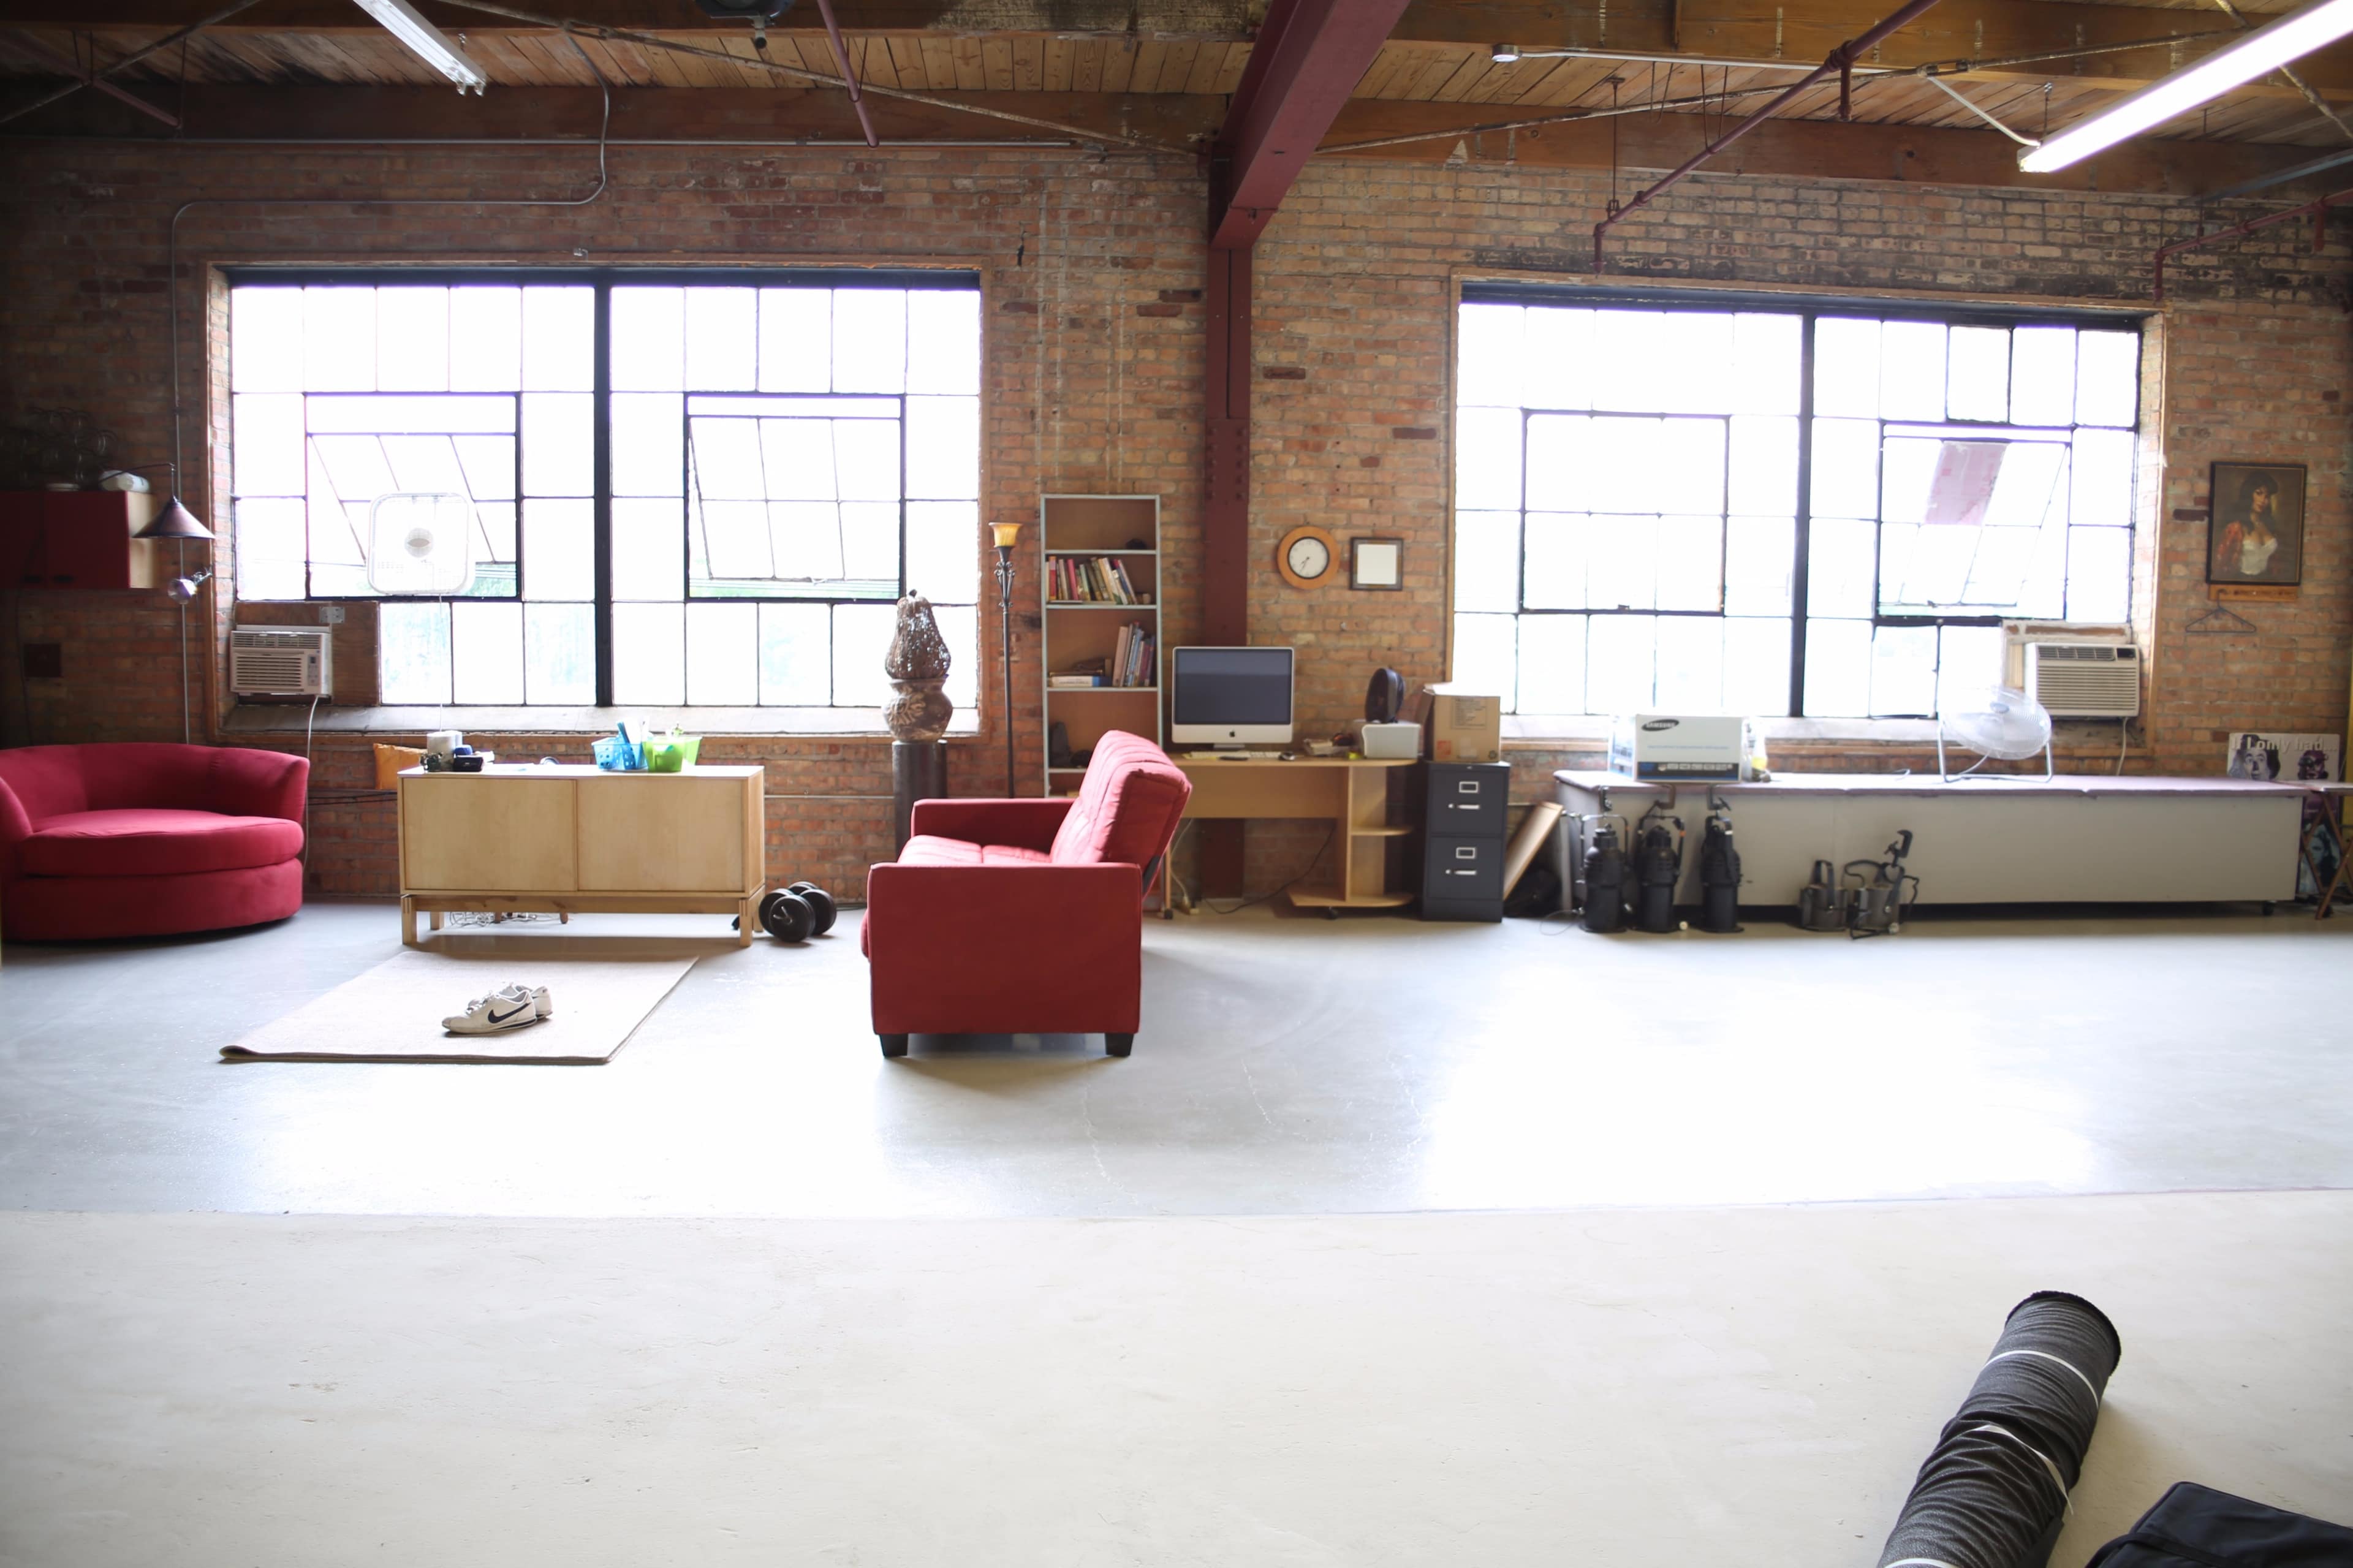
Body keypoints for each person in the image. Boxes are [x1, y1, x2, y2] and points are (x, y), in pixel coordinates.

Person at [2215, 471, 2288, 580]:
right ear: (2249, 494)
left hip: (2268, 583)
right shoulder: (2236, 527)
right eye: (2259, 493)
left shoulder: (2269, 526)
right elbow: (2221, 564)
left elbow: (2277, 564)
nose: (2263, 500)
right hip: (2241, 581)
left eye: (2267, 496)